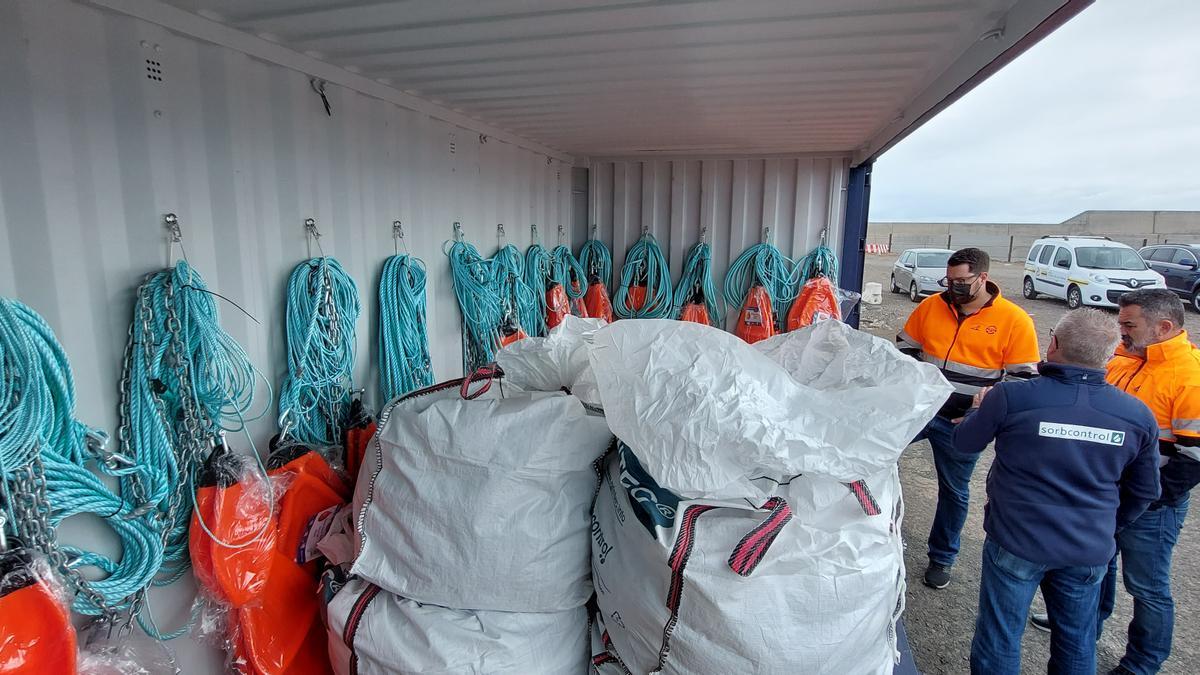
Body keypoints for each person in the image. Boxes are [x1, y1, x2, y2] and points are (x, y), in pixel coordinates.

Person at [955, 309, 1160, 674]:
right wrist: (1107, 526)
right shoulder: (1137, 415)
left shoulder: (1011, 397)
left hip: (1016, 539)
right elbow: (1144, 491)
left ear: (1053, 344)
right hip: (1087, 547)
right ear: (1110, 355)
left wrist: (976, 408)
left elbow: (965, 443)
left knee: (1000, 637)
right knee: (1077, 642)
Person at [1030, 289, 1200, 674]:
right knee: (1098, 568)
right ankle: (1084, 630)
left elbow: (1193, 460)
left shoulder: (1191, 377)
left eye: (1128, 324)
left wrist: (1144, 500)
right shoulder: (1123, 360)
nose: (1119, 331)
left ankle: (1142, 662)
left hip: (1150, 506)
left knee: (1147, 587)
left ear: (1164, 327)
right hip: (1104, 497)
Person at [897, 247, 1041, 589]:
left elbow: (1023, 380)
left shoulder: (1014, 320)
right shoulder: (932, 305)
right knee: (874, 460)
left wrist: (984, 413)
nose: (954, 287)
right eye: (949, 280)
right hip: (919, 411)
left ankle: (942, 557)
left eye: (962, 281)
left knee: (954, 491)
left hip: (961, 422)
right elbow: (904, 348)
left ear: (983, 278)